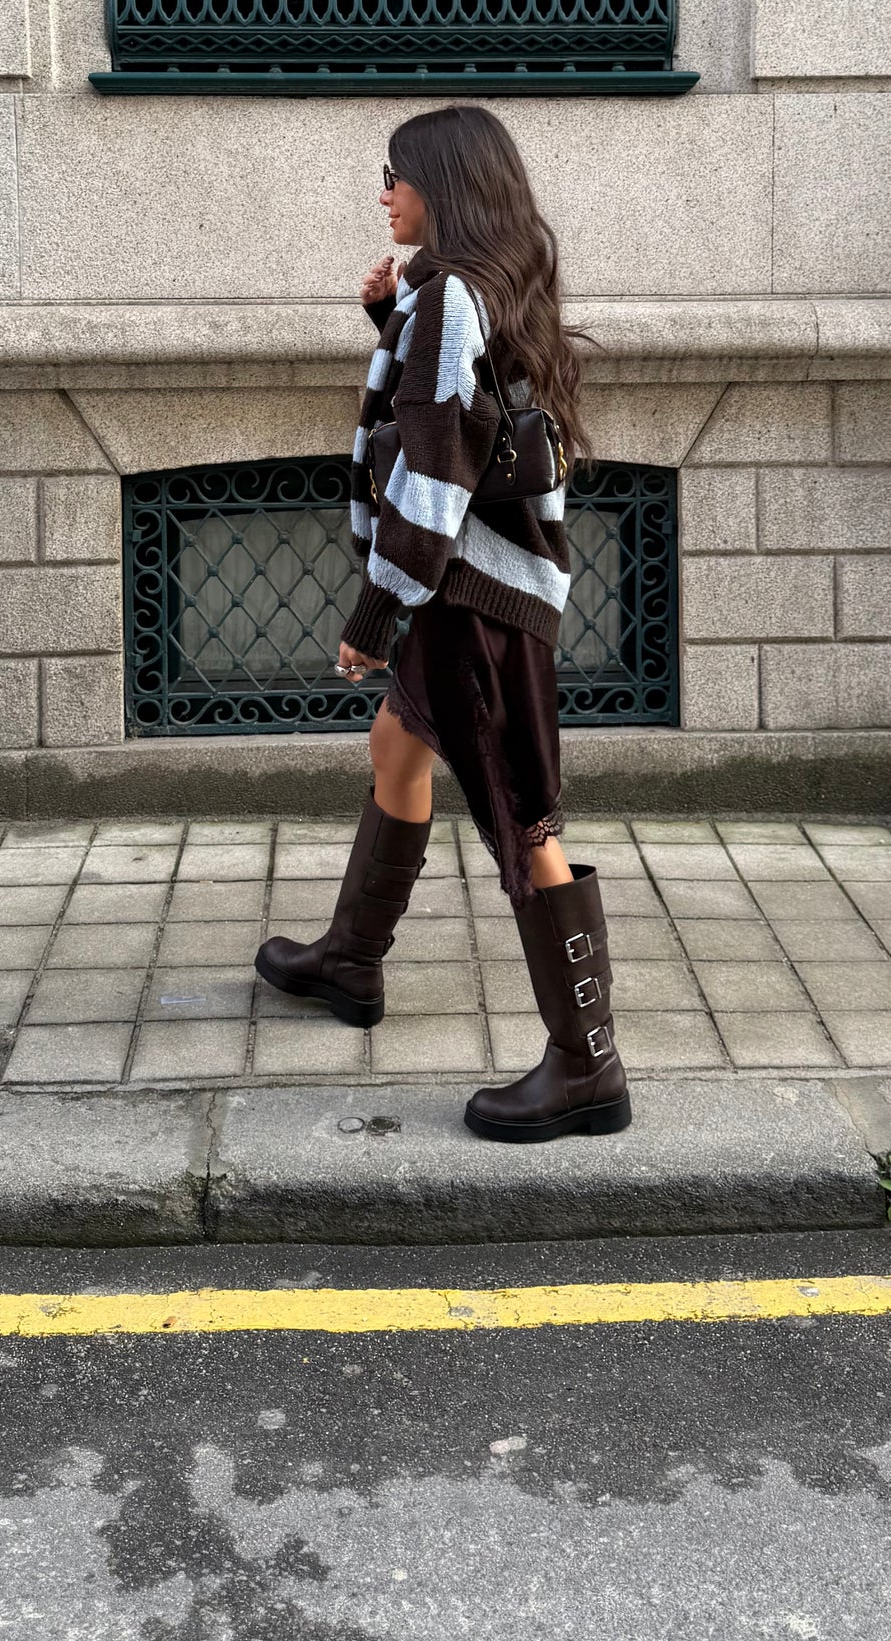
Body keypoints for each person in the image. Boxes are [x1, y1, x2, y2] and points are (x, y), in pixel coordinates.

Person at [254, 103, 629, 1143]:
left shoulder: (450, 299)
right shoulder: (462, 294)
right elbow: (468, 420)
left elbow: (433, 470)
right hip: (472, 589)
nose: (382, 192)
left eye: (395, 174)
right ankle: (350, 959)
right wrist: (393, 324)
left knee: (522, 822)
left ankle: (585, 1065)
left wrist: (377, 608)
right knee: (395, 744)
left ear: (442, 188)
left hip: (467, 597)